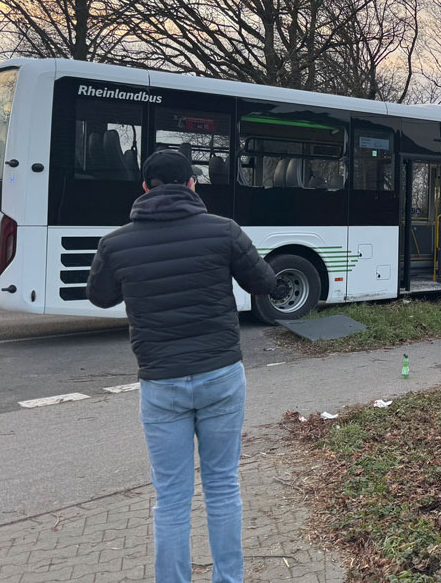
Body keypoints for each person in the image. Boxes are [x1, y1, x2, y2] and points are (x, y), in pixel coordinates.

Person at [86, 150, 277, 583]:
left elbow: (100, 296)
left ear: (144, 188)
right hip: (220, 376)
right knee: (222, 487)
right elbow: (264, 282)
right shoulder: (223, 231)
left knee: (171, 499)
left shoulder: (116, 243)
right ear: (193, 183)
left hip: (161, 383)